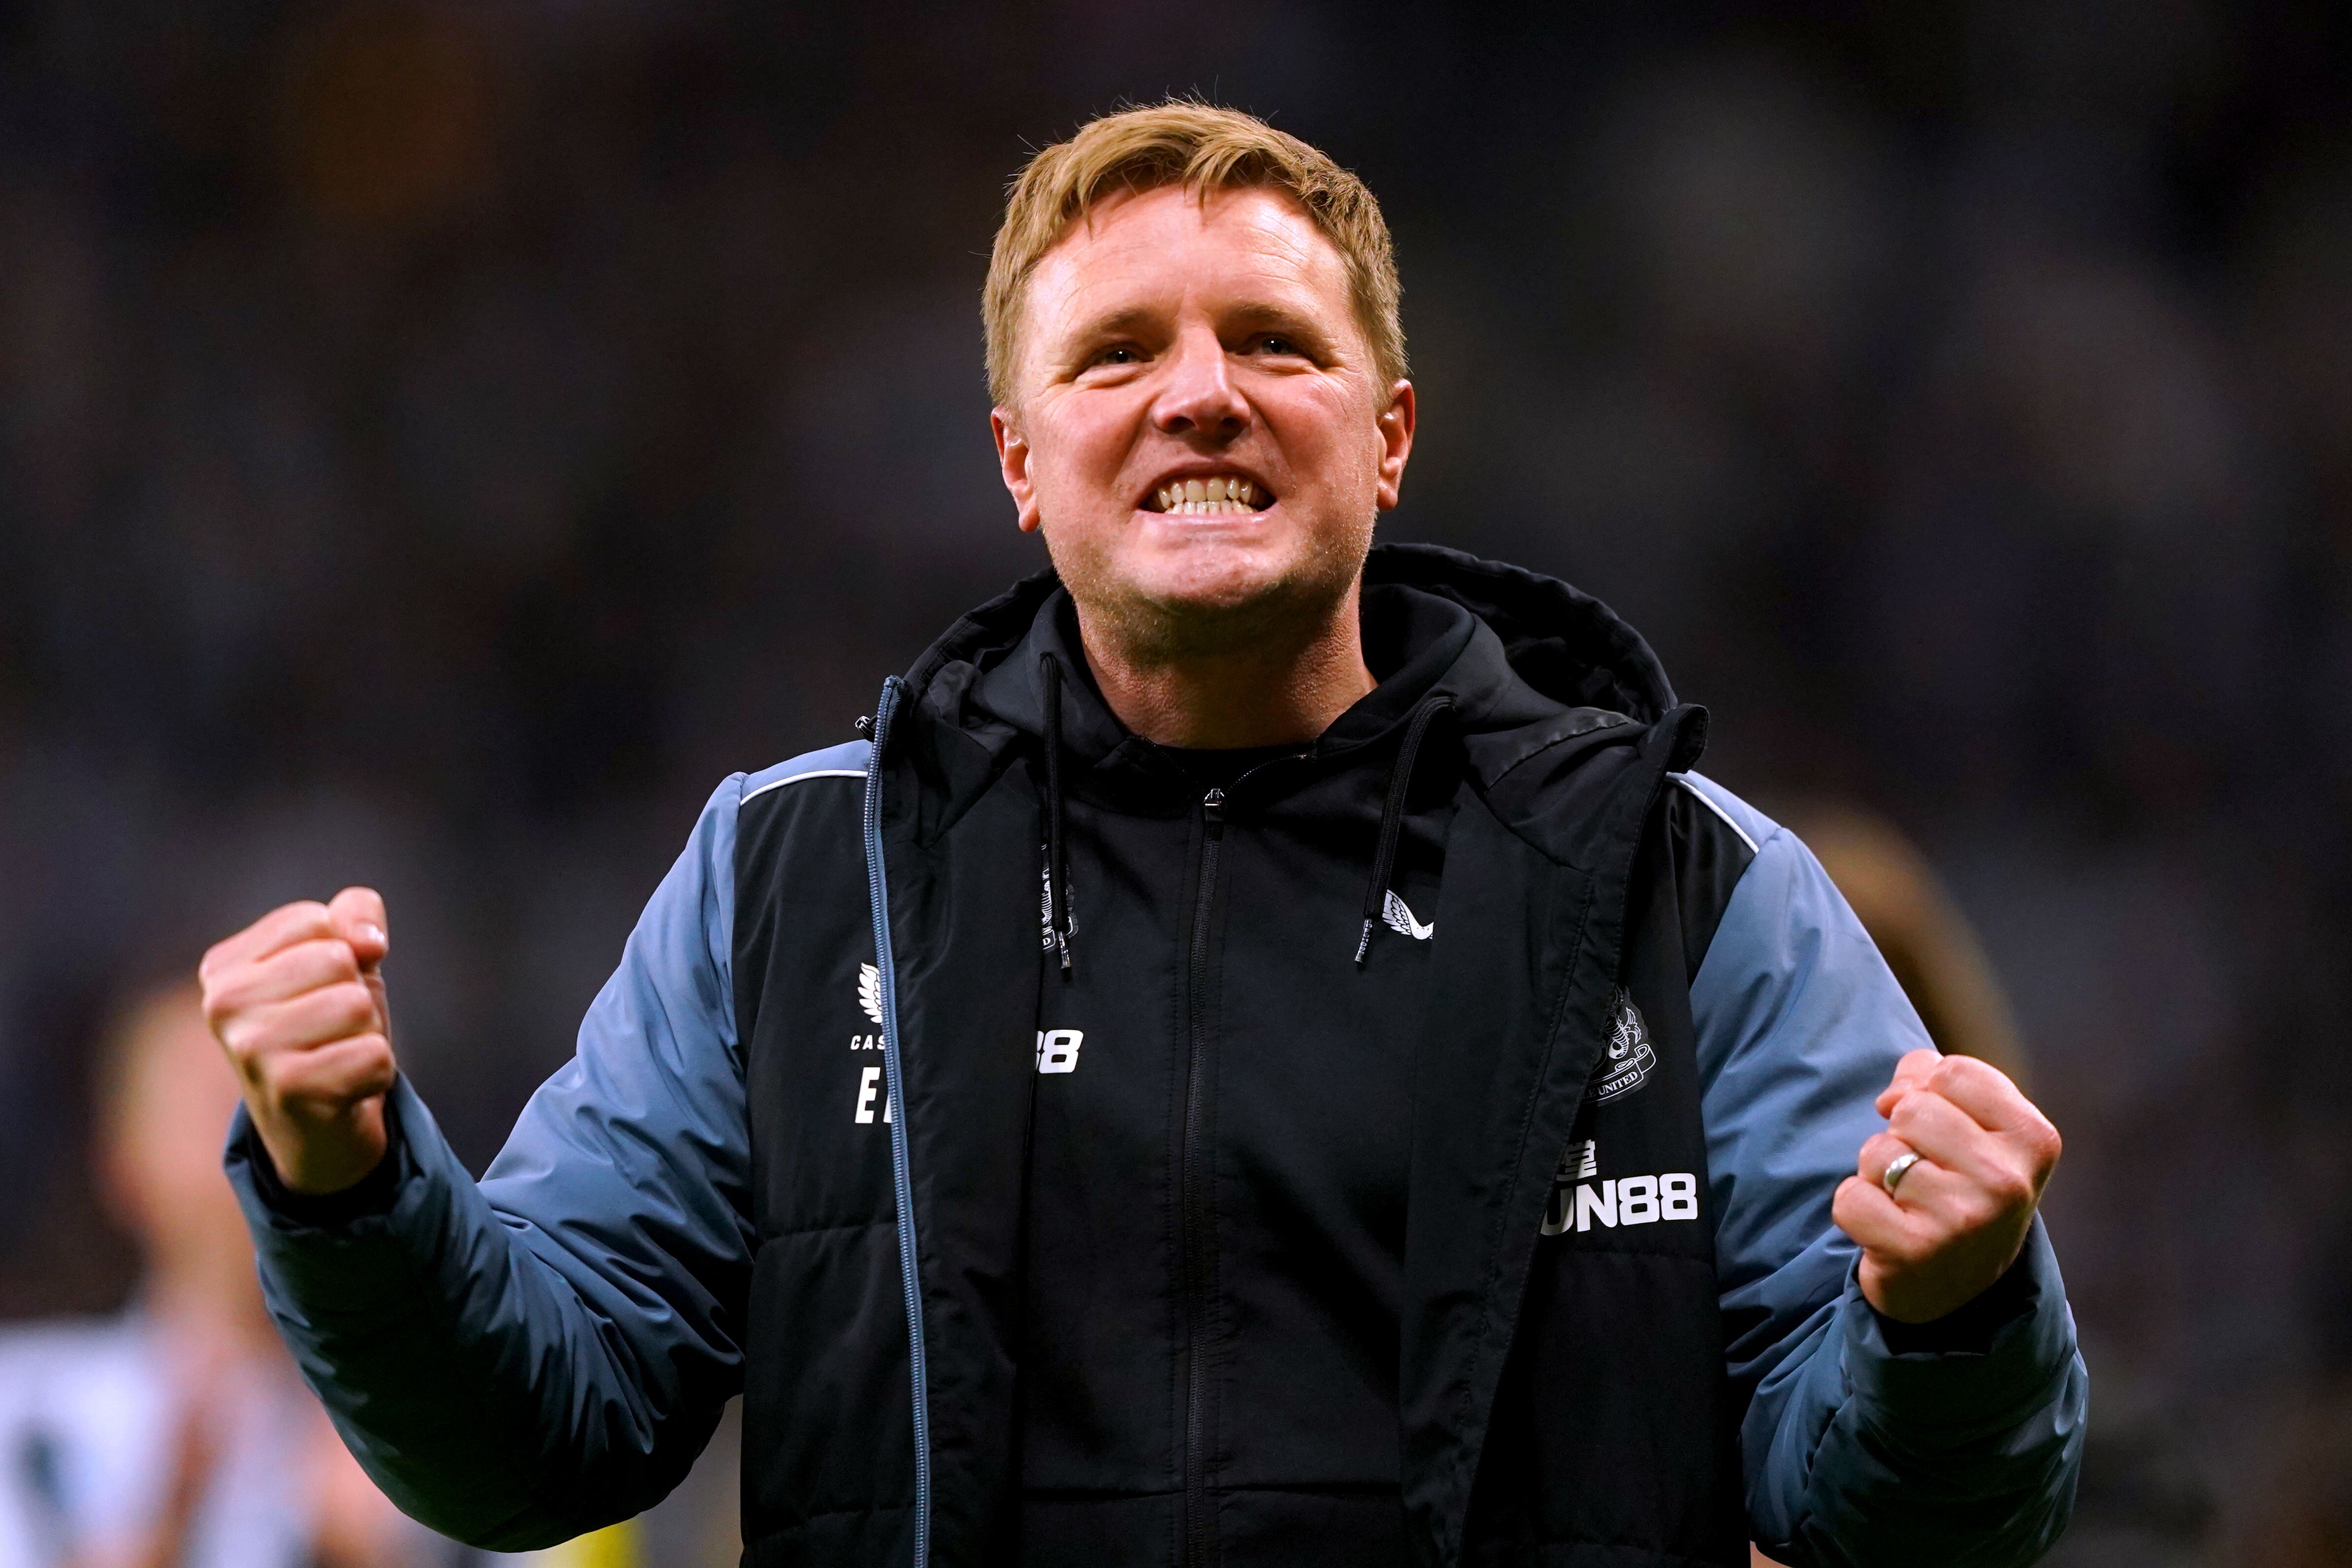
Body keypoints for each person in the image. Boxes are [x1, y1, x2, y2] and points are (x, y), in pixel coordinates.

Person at [197, 102, 2086, 1567]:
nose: (1201, 389)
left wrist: (1954, 1318)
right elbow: (549, 1427)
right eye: (1117, 355)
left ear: (1391, 431)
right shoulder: (793, 878)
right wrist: (349, 1186)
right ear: (1020, 458)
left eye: (1272, 336)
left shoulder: (1685, 886)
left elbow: (1911, 1519)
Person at [0, 980, 437, 1568]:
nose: (281, 1143)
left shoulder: (465, 1435)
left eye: (324, 1107)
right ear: (121, 1159)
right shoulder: (28, 1416)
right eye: (224, 1106)